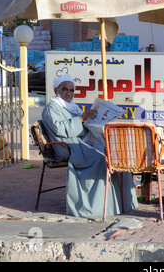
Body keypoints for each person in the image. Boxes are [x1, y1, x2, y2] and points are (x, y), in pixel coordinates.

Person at [41, 74, 138, 218]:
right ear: (56, 90)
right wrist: (81, 119)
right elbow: (61, 130)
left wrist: (92, 122)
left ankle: (120, 203)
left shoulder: (71, 107)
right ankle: (96, 207)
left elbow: (80, 127)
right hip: (67, 147)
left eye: (72, 90)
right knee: (102, 159)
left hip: (79, 142)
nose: (69, 93)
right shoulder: (51, 108)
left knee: (114, 154)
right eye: (65, 89)